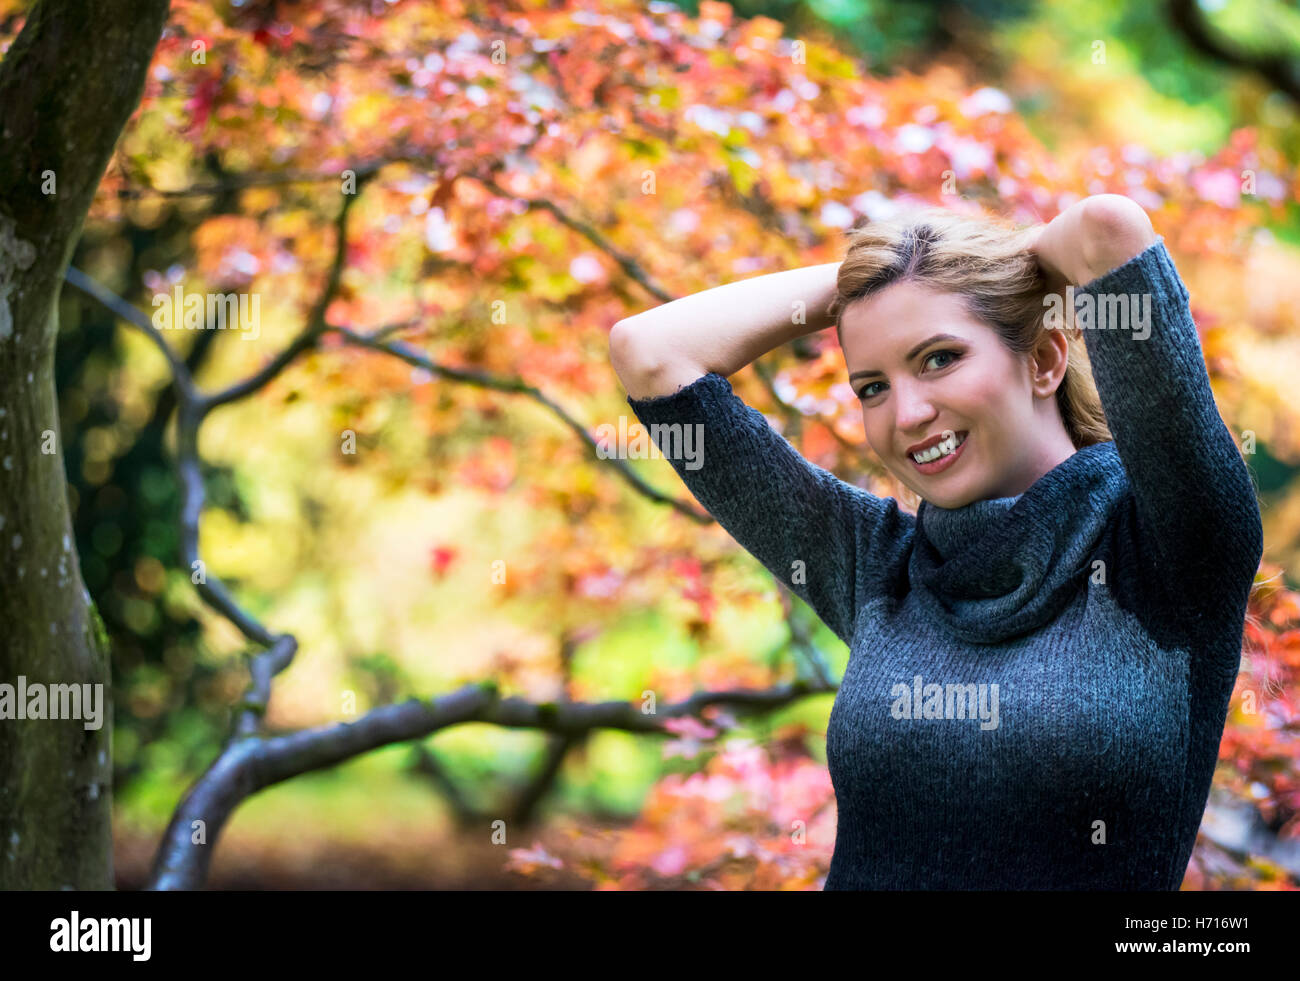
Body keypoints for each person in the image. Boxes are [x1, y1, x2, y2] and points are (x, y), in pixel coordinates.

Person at [607, 194, 1264, 889]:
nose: (908, 414)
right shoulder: (878, 565)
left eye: (939, 358)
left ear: (1043, 359)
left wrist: (970, 268)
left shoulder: (1173, 542)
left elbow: (1107, 232)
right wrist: (875, 279)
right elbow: (650, 354)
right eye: (871, 387)